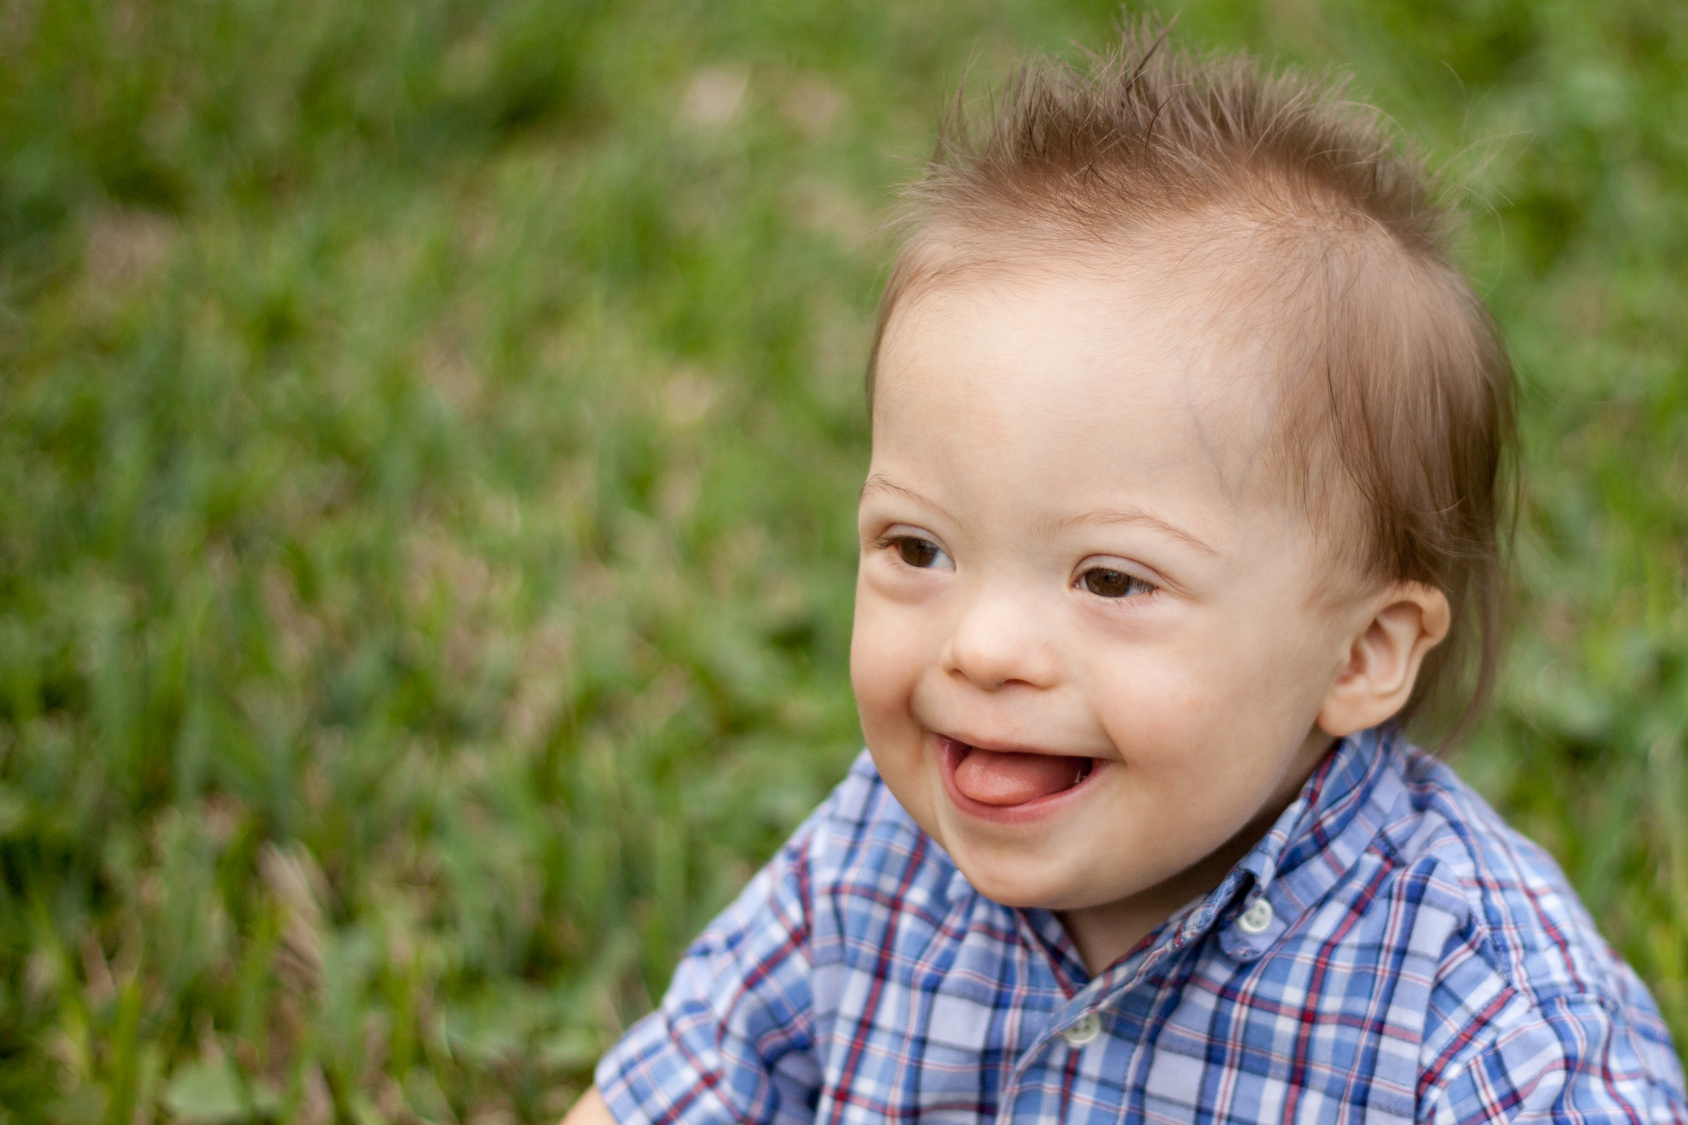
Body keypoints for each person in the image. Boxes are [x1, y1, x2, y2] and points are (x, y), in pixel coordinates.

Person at [565, 25, 1688, 1125]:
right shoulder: (878, 853)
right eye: (918, 551)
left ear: (1358, 653)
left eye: (1109, 581)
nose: (981, 648)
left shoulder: (1477, 1017)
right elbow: (666, 1090)